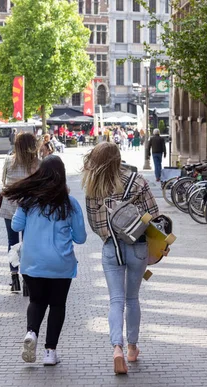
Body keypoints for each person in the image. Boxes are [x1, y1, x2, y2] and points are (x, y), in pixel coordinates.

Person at [83, 142, 161, 374]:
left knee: (115, 300)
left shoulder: (93, 186)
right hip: (137, 247)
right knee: (132, 299)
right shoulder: (137, 180)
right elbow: (154, 214)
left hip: (111, 248)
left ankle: (116, 347)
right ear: (118, 158)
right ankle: (132, 348)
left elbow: (95, 223)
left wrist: (109, 234)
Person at [3, 155, 87, 366]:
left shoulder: (29, 201)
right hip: (61, 264)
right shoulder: (70, 203)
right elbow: (81, 237)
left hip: (32, 263)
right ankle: (50, 352)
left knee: (36, 301)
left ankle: (31, 332)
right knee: (57, 305)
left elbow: (16, 226)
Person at [0, 133, 40, 293]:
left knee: (12, 241)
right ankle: (27, 279)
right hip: (30, 208)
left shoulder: (9, 161)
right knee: (28, 242)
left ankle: (14, 277)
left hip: (9, 207)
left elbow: (3, 181)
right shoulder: (37, 163)